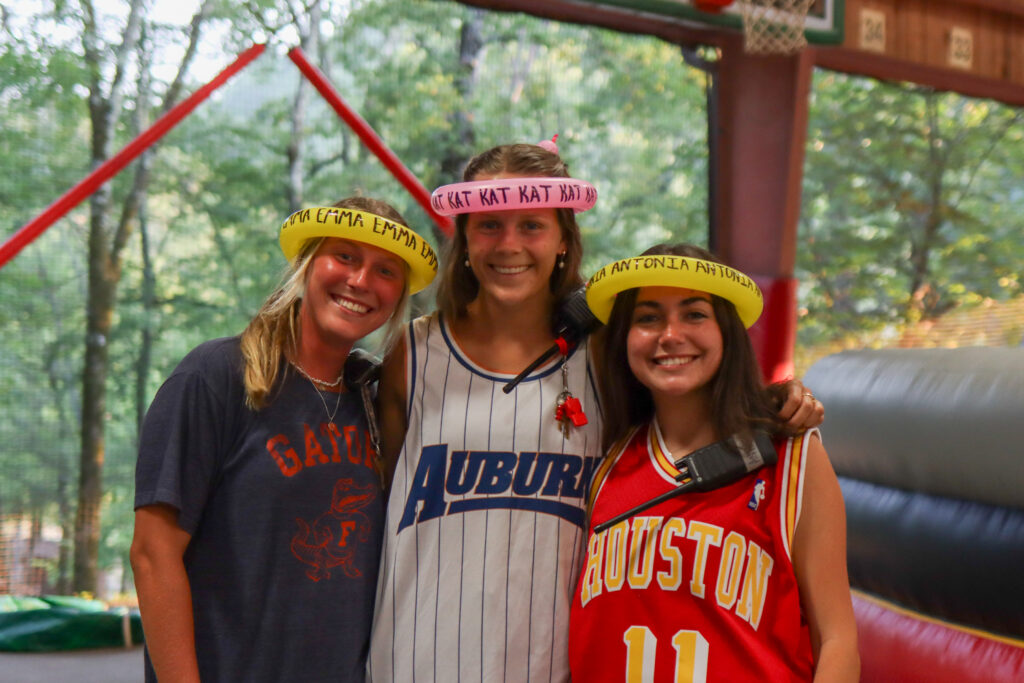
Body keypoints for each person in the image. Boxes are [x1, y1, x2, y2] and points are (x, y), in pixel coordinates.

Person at [368, 140, 824, 682]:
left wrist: (775, 400)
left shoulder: (611, 356)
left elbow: (695, 399)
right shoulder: (411, 354)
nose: (509, 244)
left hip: (557, 665)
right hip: (415, 657)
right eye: (489, 224)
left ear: (564, 239)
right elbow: (373, 504)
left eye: (532, 225)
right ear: (464, 238)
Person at [129, 197, 438, 683]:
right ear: (306, 264)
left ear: (400, 296)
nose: (360, 281)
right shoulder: (216, 377)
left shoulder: (375, 402)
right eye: (346, 257)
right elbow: (152, 554)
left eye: (385, 271)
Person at [568, 244, 859, 682]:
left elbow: (837, 640)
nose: (670, 334)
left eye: (695, 314)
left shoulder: (791, 458)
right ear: (624, 338)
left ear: (726, 331)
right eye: (647, 318)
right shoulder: (607, 458)